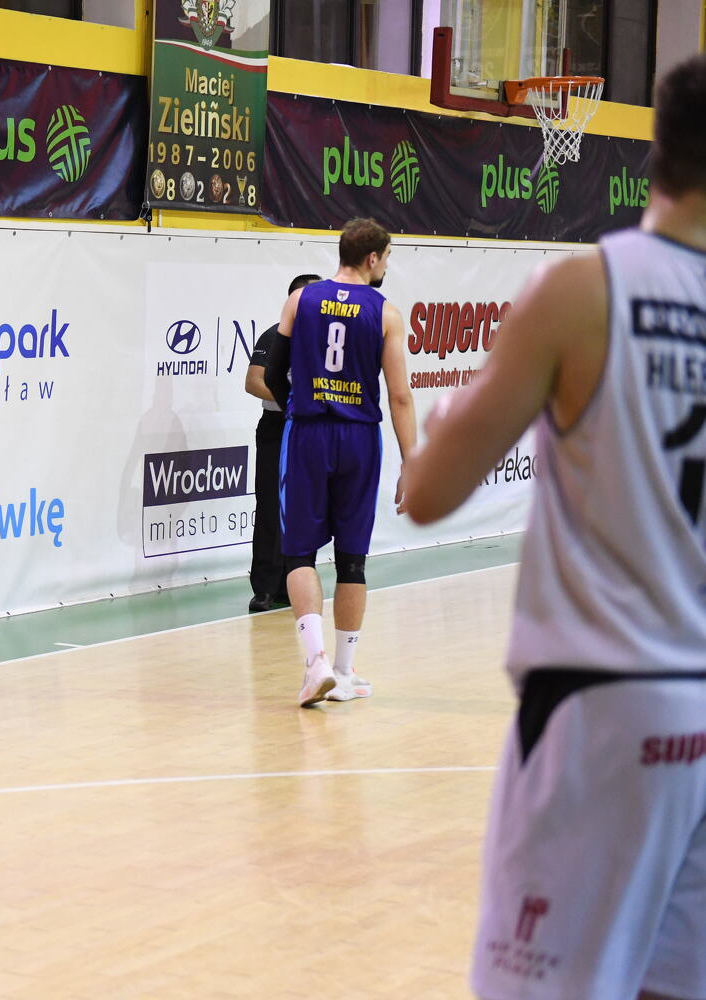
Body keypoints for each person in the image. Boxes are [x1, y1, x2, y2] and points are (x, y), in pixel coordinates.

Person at [402, 54, 706, 1000]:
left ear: (656, 150)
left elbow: (426, 492)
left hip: (602, 707)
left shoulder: (582, 291)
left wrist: (457, 413)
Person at [262, 218, 416, 707]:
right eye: (386, 258)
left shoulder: (301, 299)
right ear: (372, 258)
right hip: (359, 438)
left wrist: (298, 406)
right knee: (352, 559)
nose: (386, 266)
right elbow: (400, 396)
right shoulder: (386, 312)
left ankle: (317, 664)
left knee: (299, 554)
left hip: (309, 432)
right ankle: (344, 672)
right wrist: (411, 462)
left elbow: (272, 372)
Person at [245, 272, 321, 613]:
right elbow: (253, 382)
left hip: (314, 430)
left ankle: (294, 586)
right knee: (270, 506)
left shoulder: (329, 340)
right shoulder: (274, 336)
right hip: (278, 427)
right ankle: (264, 588)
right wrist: (291, 401)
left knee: (306, 509)